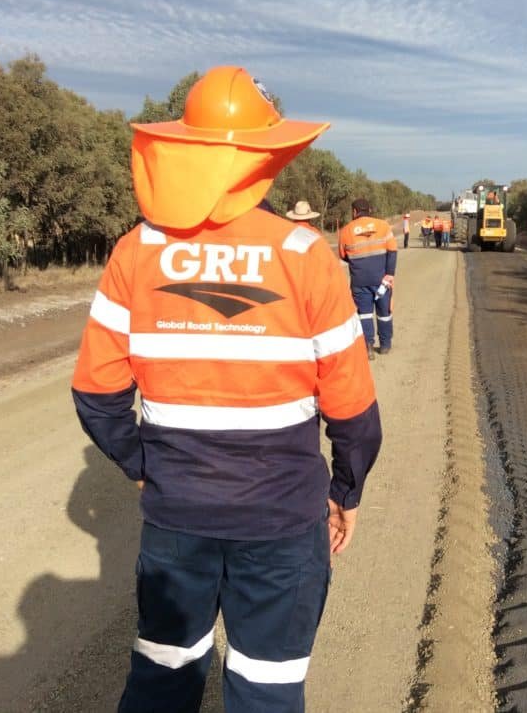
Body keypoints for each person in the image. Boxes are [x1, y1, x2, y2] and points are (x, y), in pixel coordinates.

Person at [71, 65, 382, 713]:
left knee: (163, 675)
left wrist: (140, 466)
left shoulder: (136, 250)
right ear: (263, 159)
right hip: (283, 521)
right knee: (266, 687)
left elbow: (96, 395)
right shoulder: (306, 254)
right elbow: (353, 411)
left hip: (176, 517)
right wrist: (344, 490)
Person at [338, 198, 397, 357]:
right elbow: (392, 251)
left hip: (360, 281)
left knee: (364, 314)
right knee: (384, 313)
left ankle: (368, 347)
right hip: (382, 279)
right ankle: (385, 345)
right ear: (369, 210)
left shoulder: (346, 231)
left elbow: (343, 256)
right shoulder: (383, 225)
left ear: (354, 212)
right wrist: (389, 274)